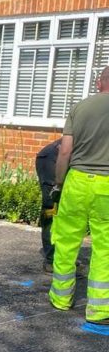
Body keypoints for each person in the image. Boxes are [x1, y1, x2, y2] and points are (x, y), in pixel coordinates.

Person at [49, 66, 109, 326]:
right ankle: (99, 310)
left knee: (66, 240)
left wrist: (59, 183)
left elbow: (64, 152)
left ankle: (61, 299)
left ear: (100, 82)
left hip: (77, 181)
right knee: (105, 247)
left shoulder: (80, 108)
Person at [35, 138, 60, 272]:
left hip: (68, 160)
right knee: (51, 208)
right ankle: (51, 260)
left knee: (68, 211)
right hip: (52, 158)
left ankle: (62, 256)